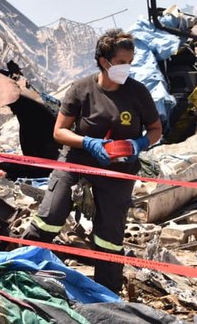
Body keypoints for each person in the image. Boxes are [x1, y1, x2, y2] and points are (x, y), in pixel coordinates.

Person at [23, 28, 162, 294]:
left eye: (130, 62)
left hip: (118, 169)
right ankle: (24, 270)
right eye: (121, 62)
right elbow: (59, 131)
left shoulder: (137, 93)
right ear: (104, 61)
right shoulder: (81, 89)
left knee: (109, 235)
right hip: (78, 161)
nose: (126, 68)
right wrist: (87, 142)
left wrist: (140, 143)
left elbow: (156, 129)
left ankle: (104, 295)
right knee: (50, 215)